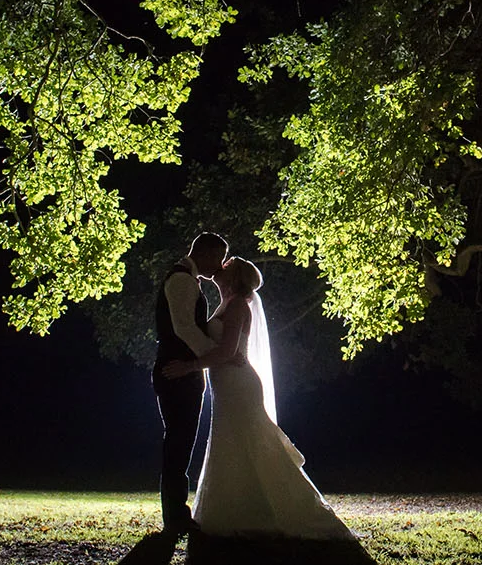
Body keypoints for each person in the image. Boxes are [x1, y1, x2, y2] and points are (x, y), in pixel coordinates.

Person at [162, 258, 357, 546]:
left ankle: (290, 508)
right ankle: (240, 511)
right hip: (226, 384)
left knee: (252, 441)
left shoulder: (237, 305)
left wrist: (188, 366)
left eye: (227, 265)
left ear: (235, 276)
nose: (221, 266)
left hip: (238, 384)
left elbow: (228, 352)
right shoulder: (226, 303)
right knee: (231, 443)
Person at [153, 231, 229, 536]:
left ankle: (175, 513)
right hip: (177, 370)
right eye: (219, 258)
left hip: (185, 370)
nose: (219, 266)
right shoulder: (182, 280)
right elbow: (184, 327)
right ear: (206, 253)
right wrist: (215, 357)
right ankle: (175, 515)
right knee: (179, 440)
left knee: (181, 440)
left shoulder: (188, 279)